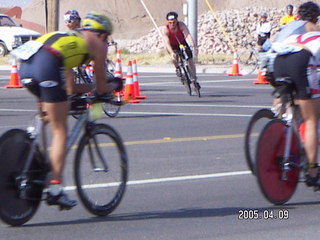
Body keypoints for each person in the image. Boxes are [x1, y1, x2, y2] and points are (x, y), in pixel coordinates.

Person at [12, 11, 122, 210]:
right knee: (60, 128)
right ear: (103, 34)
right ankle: (55, 188)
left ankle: (33, 145)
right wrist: (113, 86)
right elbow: (100, 84)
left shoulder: (70, 38)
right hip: (46, 64)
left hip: (26, 65)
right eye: (107, 37)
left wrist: (90, 91)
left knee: (50, 114)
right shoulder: (98, 44)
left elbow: (70, 88)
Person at [272, 31, 320, 187]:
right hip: (300, 61)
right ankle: (312, 172)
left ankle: (282, 118)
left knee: (295, 105)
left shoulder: (303, 34)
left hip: (278, 60)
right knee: (311, 119)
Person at [160, 11, 199, 87]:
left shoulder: (181, 25)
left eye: (174, 22)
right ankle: (177, 68)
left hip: (182, 42)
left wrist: (194, 46)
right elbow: (167, 43)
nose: (172, 24)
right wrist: (171, 53)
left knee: (190, 59)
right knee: (174, 57)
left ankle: (194, 78)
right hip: (172, 45)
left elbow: (188, 35)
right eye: (170, 22)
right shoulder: (165, 29)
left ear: (176, 21)